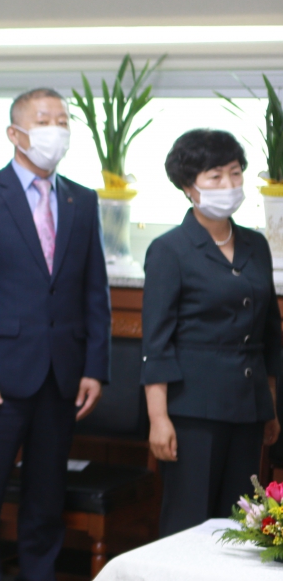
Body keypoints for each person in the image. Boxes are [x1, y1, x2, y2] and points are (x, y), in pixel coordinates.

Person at [0, 88, 111, 581]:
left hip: (62, 377)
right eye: (45, 120)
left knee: (46, 502)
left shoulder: (81, 200)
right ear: (15, 133)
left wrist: (95, 368)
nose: (56, 129)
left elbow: (94, 290)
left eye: (63, 119)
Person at [142, 128, 282, 536]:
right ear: (189, 187)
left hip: (248, 407)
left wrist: (269, 406)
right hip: (192, 411)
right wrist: (158, 418)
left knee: (239, 524)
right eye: (215, 176)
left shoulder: (256, 245)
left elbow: (271, 333)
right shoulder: (170, 249)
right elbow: (156, 341)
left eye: (235, 174)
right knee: (189, 522)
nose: (229, 185)